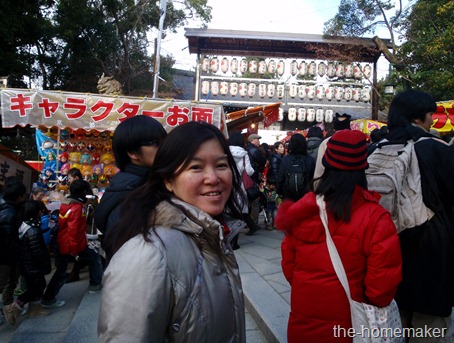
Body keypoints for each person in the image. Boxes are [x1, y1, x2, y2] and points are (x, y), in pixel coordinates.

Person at [98, 121, 246, 342]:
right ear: (168, 180)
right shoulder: (146, 254)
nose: (213, 178)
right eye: (196, 167)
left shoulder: (209, 234)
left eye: (221, 165)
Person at [275, 130, 402, 343]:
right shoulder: (376, 218)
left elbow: (290, 268)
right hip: (350, 326)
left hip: (303, 322)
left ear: (326, 165)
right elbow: (381, 289)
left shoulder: (302, 212)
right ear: (363, 167)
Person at [386, 90, 454, 340]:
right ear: (418, 117)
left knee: (398, 321)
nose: (431, 120)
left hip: (388, 246)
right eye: (429, 114)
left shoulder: (379, 148)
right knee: (429, 328)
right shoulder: (436, 149)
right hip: (431, 250)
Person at [94, 115, 167, 257]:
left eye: (165, 141)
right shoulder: (134, 196)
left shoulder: (145, 185)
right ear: (132, 153)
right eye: (155, 143)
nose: (164, 147)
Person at [42, 179, 103, 308]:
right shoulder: (77, 208)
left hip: (66, 242)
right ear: (83, 192)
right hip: (71, 244)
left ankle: (94, 284)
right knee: (65, 270)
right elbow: (74, 231)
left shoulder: (66, 203)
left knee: (91, 259)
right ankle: (48, 298)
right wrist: (74, 251)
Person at [15, 200, 52, 317]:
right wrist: (45, 264)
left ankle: (34, 309)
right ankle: (16, 305)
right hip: (32, 265)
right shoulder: (32, 231)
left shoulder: (25, 225)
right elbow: (38, 251)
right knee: (37, 286)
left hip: (27, 264)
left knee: (36, 286)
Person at [0, 177, 27, 325]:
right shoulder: (8, 214)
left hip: (11, 253)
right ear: (19, 197)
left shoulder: (11, 208)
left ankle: (7, 308)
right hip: (5, 255)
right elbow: (5, 239)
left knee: (11, 282)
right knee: (3, 282)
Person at [228, 131, 259, 245]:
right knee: (239, 211)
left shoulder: (225, 152)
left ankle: (228, 237)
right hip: (239, 186)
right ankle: (235, 241)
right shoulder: (244, 154)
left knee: (228, 211)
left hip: (227, 184)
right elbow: (250, 171)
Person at [276, 133, 315, 201]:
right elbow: (313, 179)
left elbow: (280, 179)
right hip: (305, 197)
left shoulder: (285, 160)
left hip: (288, 197)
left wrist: (279, 191)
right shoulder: (310, 160)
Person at [313, 112, 351, 180]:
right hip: (352, 183)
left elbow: (320, 168)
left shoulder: (326, 142)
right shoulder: (355, 141)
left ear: (335, 127)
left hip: (330, 182)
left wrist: (317, 185)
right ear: (348, 126)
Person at [245, 133, 267, 230]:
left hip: (245, 179)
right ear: (252, 140)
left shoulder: (245, 149)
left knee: (247, 201)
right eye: (257, 139)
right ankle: (253, 223)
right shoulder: (254, 150)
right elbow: (262, 161)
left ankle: (248, 222)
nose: (259, 141)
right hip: (253, 179)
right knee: (254, 201)